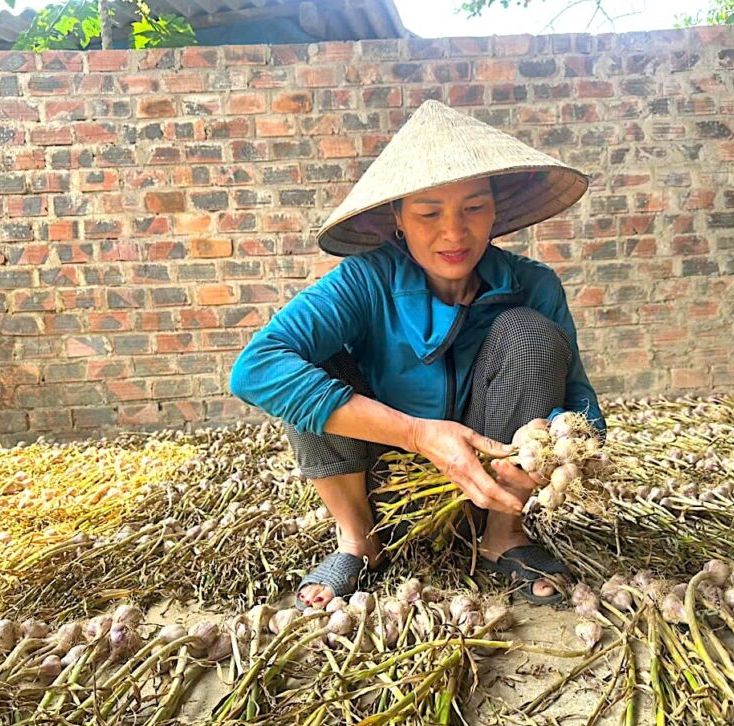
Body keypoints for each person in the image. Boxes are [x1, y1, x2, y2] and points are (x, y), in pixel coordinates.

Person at [229, 100, 605, 610]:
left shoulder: (533, 285)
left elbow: (584, 409)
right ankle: (358, 539)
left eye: (474, 208)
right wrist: (417, 434)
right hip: (382, 483)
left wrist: (554, 448)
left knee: (529, 334)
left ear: (496, 211)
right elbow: (255, 368)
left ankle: (504, 536)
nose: (453, 233)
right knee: (307, 365)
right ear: (398, 220)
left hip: (490, 485)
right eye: (429, 213)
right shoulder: (366, 279)